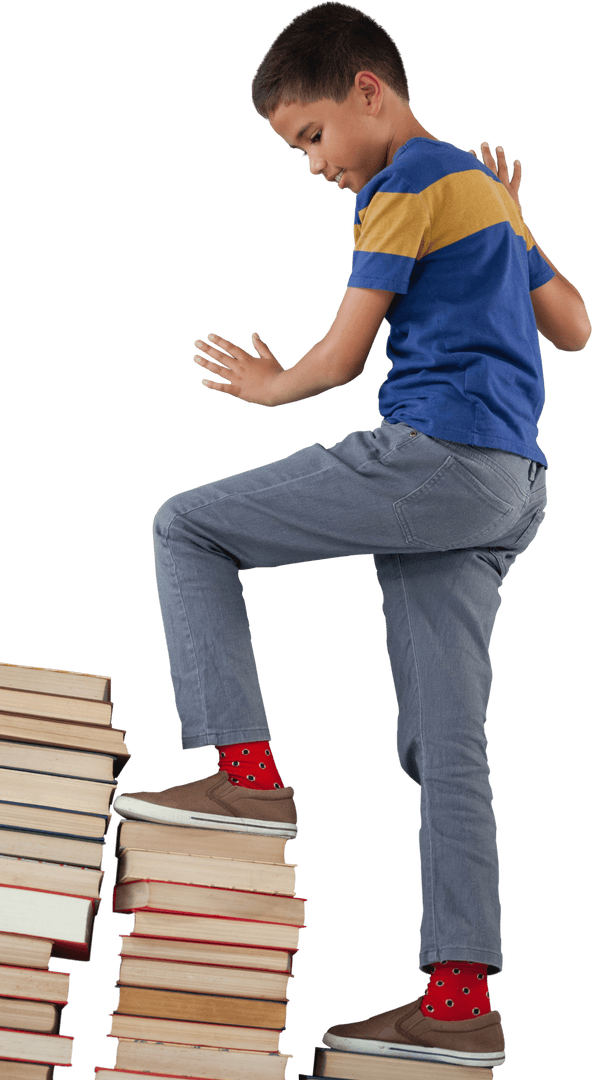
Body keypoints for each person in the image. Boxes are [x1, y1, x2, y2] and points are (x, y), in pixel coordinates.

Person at [113, 2, 590, 1068]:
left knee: (185, 526)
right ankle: (459, 1000)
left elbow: (336, 360)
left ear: (367, 89)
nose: (315, 165)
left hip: (438, 456)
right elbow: (577, 327)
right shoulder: (481, 192)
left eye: (312, 135)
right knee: (447, 741)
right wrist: (518, 222)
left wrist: (266, 385)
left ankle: (245, 771)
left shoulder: (411, 183)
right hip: (513, 485)